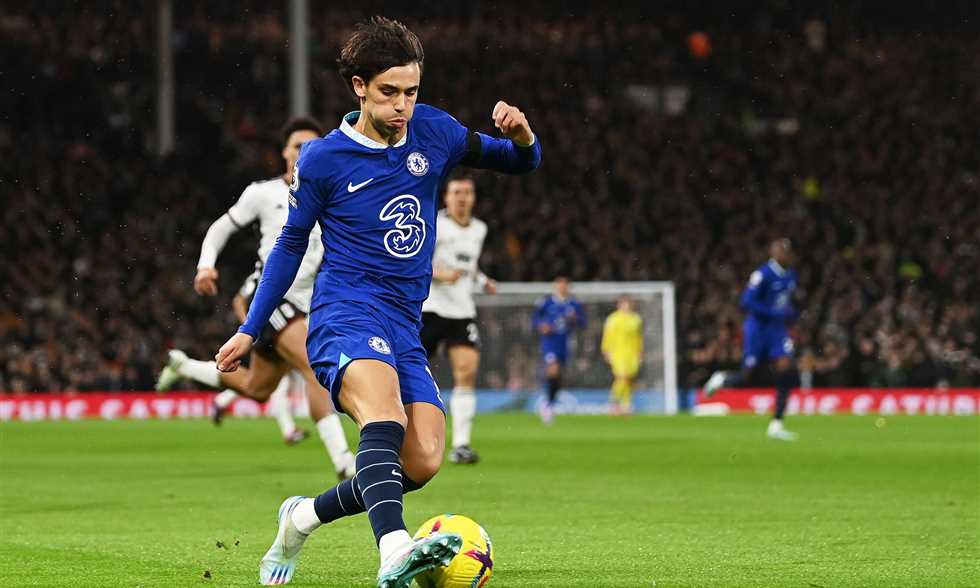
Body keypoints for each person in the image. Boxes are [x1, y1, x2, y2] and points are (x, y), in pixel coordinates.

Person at [213, 17, 541, 587]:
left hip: (404, 322)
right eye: (390, 92)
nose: (402, 106)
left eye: (411, 91)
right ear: (359, 87)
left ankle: (302, 517)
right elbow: (290, 244)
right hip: (344, 310)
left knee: (422, 459)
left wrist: (523, 135)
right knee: (383, 413)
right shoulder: (323, 158)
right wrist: (251, 327)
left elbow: (519, 162)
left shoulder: (434, 131)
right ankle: (394, 549)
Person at [156, 117, 356, 475]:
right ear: (284, 152)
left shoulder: (333, 194)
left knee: (257, 388)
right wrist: (205, 266)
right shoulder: (262, 193)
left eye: (312, 146)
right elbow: (221, 227)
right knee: (315, 365)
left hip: (305, 303)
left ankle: (184, 366)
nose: (304, 152)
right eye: (297, 146)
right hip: (268, 296)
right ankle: (344, 461)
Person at [420, 175, 497, 465]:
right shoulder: (434, 224)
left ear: (473, 198)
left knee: (467, 373)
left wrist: (483, 280)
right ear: (446, 197)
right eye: (456, 192)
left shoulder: (479, 229)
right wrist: (438, 274)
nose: (462, 197)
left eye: (467, 192)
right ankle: (405, 432)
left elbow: (469, 263)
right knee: (409, 372)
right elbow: (414, 259)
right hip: (431, 308)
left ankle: (461, 444)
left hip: (462, 310)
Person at [704, 238, 800, 441]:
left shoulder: (791, 275)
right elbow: (746, 301)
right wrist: (773, 312)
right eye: (780, 250)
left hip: (777, 331)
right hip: (757, 329)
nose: (784, 254)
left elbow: (786, 302)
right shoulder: (762, 274)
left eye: (787, 251)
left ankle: (777, 424)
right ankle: (722, 379)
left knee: (786, 368)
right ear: (774, 253)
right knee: (748, 376)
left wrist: (790, 313)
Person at [531, 277, 585, 423]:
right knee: (553, 369)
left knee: (559, 376)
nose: (562, 288)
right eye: (559, 285)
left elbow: (583, 323)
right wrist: (542, 325)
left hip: (565, 343)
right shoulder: (546, 302)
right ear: (555, 287)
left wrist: (575, 319)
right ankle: (547, 404)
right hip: (550, 342)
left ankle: (550, 403)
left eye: (564, 285)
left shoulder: (574, 303)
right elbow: (534, 319)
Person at [601, 295, 643, 415]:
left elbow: (639, 338)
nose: (627, 306)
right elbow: (607, 335)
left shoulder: (636, 319)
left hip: (632, 353)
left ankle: (626, 405)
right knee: (621, 377)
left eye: (629, 303)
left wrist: (640, 351)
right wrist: (605, 350)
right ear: (619, 305)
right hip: (617, 353)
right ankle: (613, 403)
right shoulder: (613, 319)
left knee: (628, 379)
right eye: (624, 303)